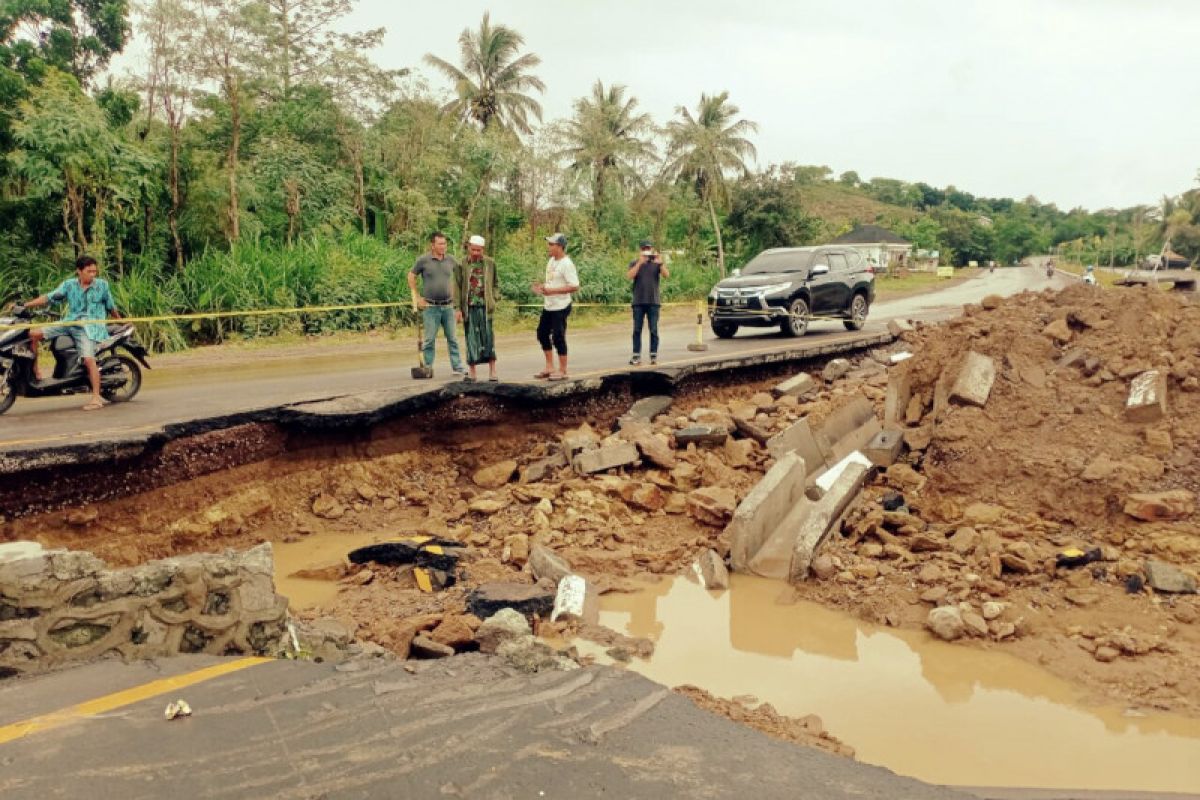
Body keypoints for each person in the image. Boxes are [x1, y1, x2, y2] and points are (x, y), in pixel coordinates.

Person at [21, 255, 122, 411]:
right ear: (79, 271)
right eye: (89, 271)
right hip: (69, 322)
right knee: (31, 335)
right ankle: (36, 371)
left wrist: (120, 321)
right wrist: (26, 305)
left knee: (89, 360)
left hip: (89, 327)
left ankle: (96, 398)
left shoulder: (102, 285)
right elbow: (48, 297)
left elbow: (111, 306)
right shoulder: (69, 285)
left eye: (95, 271)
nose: (93, 274)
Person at [407, 231, 466, 378]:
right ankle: (427, 368)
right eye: (440, 244)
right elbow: (411, 276)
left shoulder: (451, 260)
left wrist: (457, 299)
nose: (443, 246)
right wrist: (417, 297)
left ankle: (457, 367)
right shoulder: (423, 260)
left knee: (452, 338)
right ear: (432, 245)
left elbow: (461, 277)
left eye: (445, 243)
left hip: (448, 307)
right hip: (431, 307)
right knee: (429, 340)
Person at [532, 233, 579, 381]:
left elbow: (574, 286)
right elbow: (552, 282)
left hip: (561, 306)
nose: (549, 247)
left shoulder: (567, 263)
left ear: (560, 247)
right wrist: (543, 288)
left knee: (558, 336)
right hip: (549, 305)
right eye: (549, 244)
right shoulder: (551, 261)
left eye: (552, 244)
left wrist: (552, 291)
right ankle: (549, 366)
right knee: (542, 333)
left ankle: (563, 370)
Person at [455, 234, 500, 382]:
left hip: (486, 307)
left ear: (483, 249)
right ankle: (472, 373)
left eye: (478, 250)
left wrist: (495, 297)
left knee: (488, 338)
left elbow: (495, 283)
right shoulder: (462, 264)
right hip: (469, 308)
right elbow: (457, 286)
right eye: (473, 250)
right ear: (469, 248)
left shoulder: (490, 263)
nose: (475, 253)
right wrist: (457, 308)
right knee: (471, 339)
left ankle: (492, 372)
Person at [626, 238, 669, 365]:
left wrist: (660, 263)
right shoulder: (634, 263)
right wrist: (640, 263)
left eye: (648, 248)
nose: (646, 251)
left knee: (654, 329)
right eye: (644, 249)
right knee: (637, 330)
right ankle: (636, 356)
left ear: (651, 249)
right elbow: (629, 276)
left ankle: (653, 355)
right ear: (640, 250)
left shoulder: (656, 263)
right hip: (638, 302)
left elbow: (667, 275)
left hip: (653, 302)